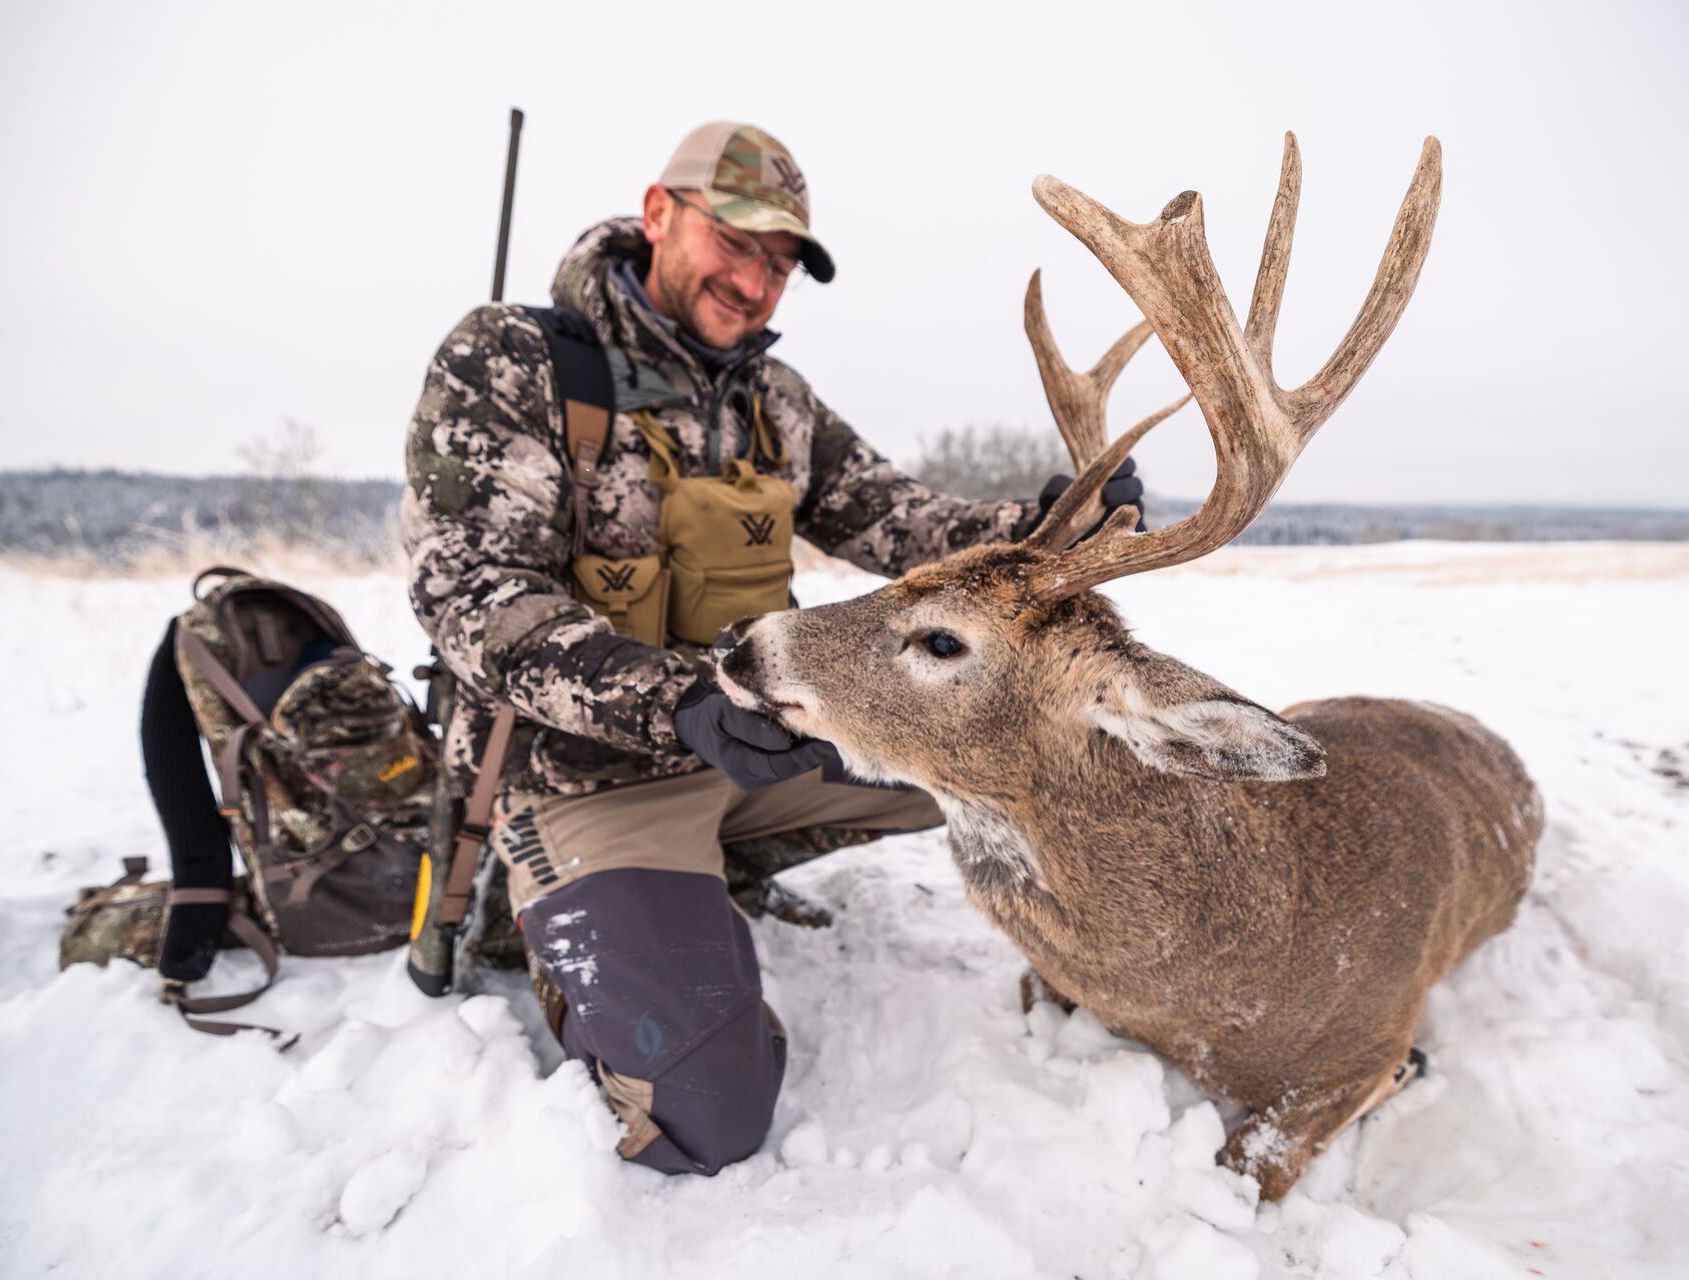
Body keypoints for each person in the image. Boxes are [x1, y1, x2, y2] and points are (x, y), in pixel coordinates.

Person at [402, 121, 1142, 1175]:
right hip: (584, 778)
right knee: (708, 1118)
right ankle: (614, 904)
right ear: (658, 213)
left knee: (1022, 752)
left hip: (754, 741)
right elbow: (474, 596)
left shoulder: (772, 400)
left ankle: (721, 868)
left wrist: (1048, 524)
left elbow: (900, 521)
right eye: (735, 241)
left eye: (781, 262)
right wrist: (679, 704)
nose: (755, 281)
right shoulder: (513, 364)